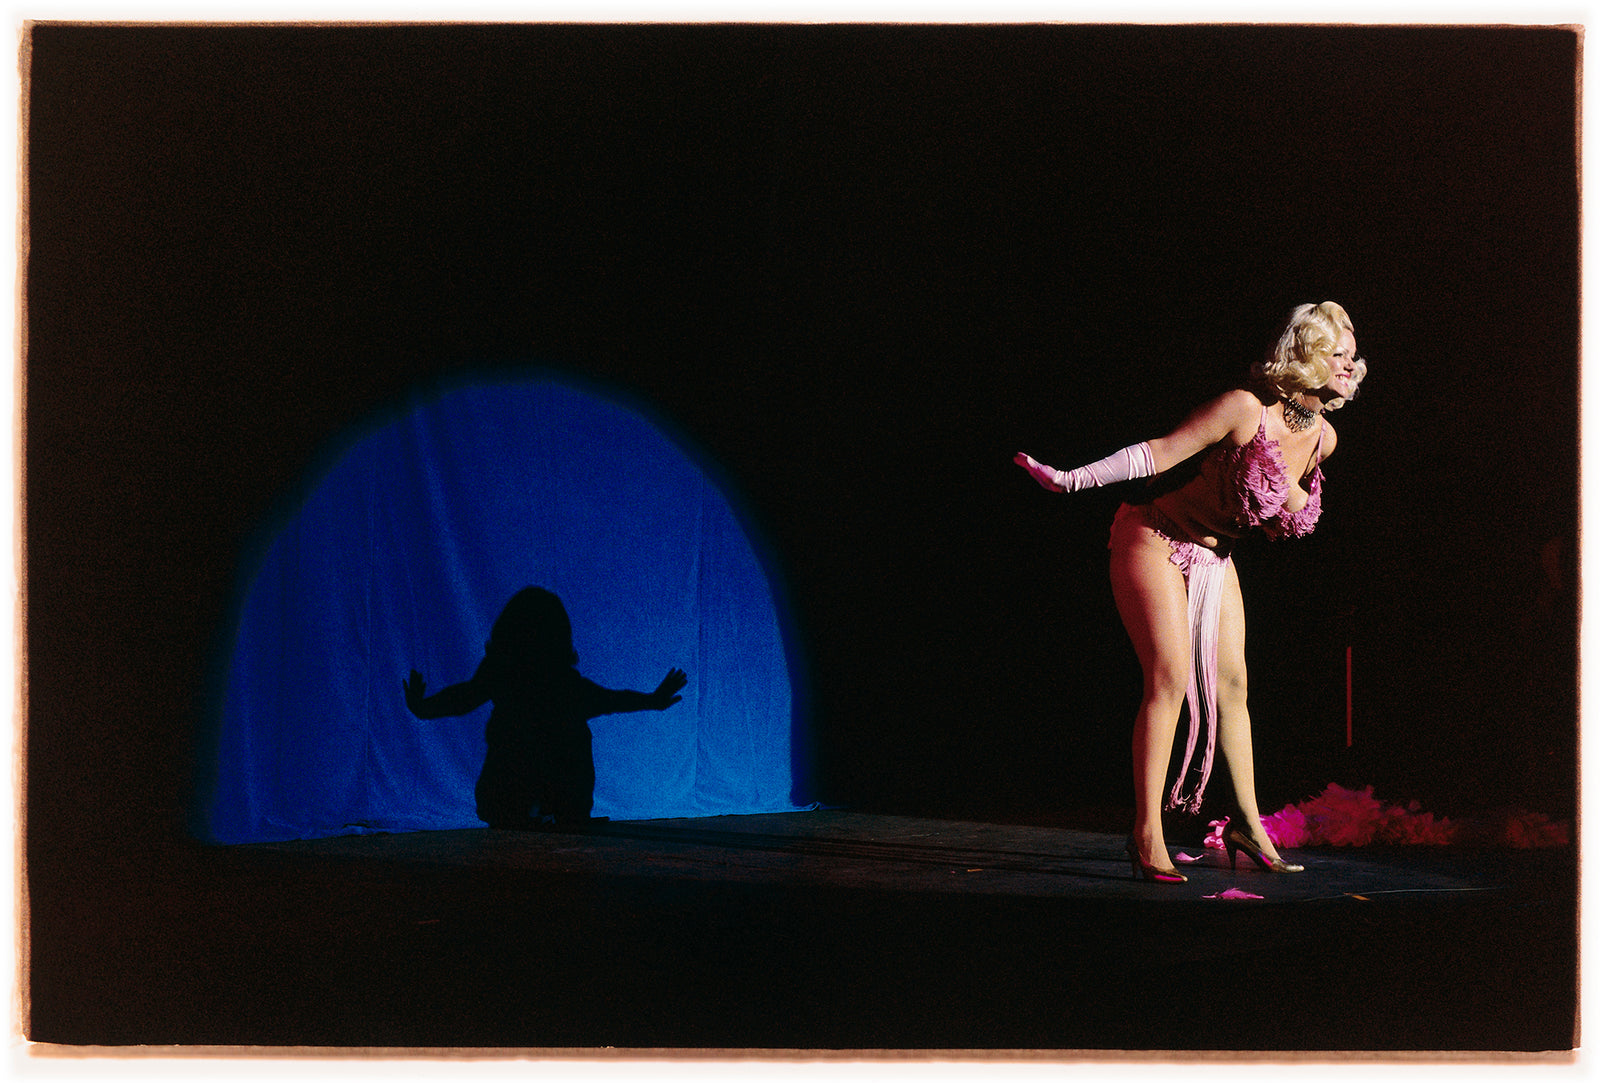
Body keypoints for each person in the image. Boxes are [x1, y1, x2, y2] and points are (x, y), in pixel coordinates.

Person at [1015, 302, 1365, 882]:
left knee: (1234, 685)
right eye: (1337, 355)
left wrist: (1291, 497)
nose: (1350, 367)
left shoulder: (1323, 440)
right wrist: (1071, 479)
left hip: (1213, 555)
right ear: (1305, 358)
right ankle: (1146, 831)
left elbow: (1287, 509)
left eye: (1353, 357)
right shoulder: (1243, 408)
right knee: (1170, 676)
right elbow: (1159, 451)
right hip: (1152, 534)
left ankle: (1248, 826)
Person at [403, 586, 689, 829]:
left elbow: (465, 696)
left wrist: (423, 707)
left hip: (518, 793)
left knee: (552, 736)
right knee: (565, 735)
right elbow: (608, 699)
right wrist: (651, 701)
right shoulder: (552, 679)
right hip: (538, 792)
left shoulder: (507, 672)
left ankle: (542, 810)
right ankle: (552, 811)